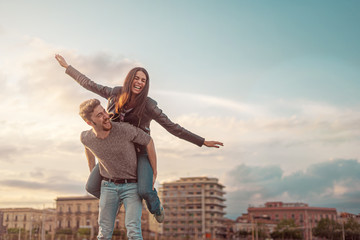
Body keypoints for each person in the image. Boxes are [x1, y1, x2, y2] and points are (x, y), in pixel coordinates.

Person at [55, 54, 223, 220]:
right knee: (92, 186)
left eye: (144, 80)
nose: (140, 82)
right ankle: (117, 201)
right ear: (130, 80)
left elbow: (172, 127)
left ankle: (156, 207)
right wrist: (68, 68)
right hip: (117, 153)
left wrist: (201, 141)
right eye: (137, 78)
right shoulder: (114, 94)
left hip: (139, 151)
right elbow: (89, 84)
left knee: (145, 190)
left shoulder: (149, 106)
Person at [79, 98, 153, 240]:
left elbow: (149, 141)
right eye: (99, 115)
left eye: (104, 112)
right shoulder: (85, 137)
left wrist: (154, 171)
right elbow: (87, 146)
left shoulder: (123, 129)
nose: (106, 116)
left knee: (133, 230)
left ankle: (155, 205)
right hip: (108, 186)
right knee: (104, 232)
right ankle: (117, 202)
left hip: (132, 184)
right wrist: (92, 169)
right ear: (89, 123)